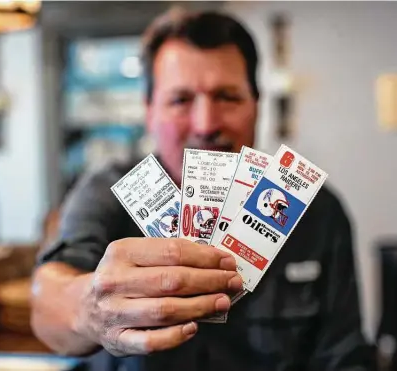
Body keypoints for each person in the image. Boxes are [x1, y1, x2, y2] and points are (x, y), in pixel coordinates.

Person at [31, 9, 375, 371]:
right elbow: (46, 302)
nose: (206, 124)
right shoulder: (109, 191)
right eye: (181, 100)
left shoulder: (316, 211)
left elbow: (345, 357)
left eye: (227, 96)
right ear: (149, 111)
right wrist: (88, 309)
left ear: (257, 106)